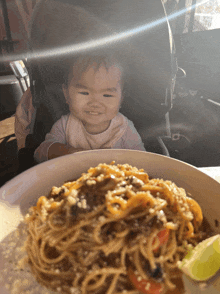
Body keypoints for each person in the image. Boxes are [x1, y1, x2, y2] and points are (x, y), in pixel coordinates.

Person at [34, 54, 146, 162]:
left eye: (107, 95)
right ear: (66, 95)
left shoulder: (124, 128)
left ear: (121, 99)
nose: (95, 103)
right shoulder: (65, 125)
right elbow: (41, 152)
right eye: (84, 93)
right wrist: (70, 152)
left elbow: (144, 160)